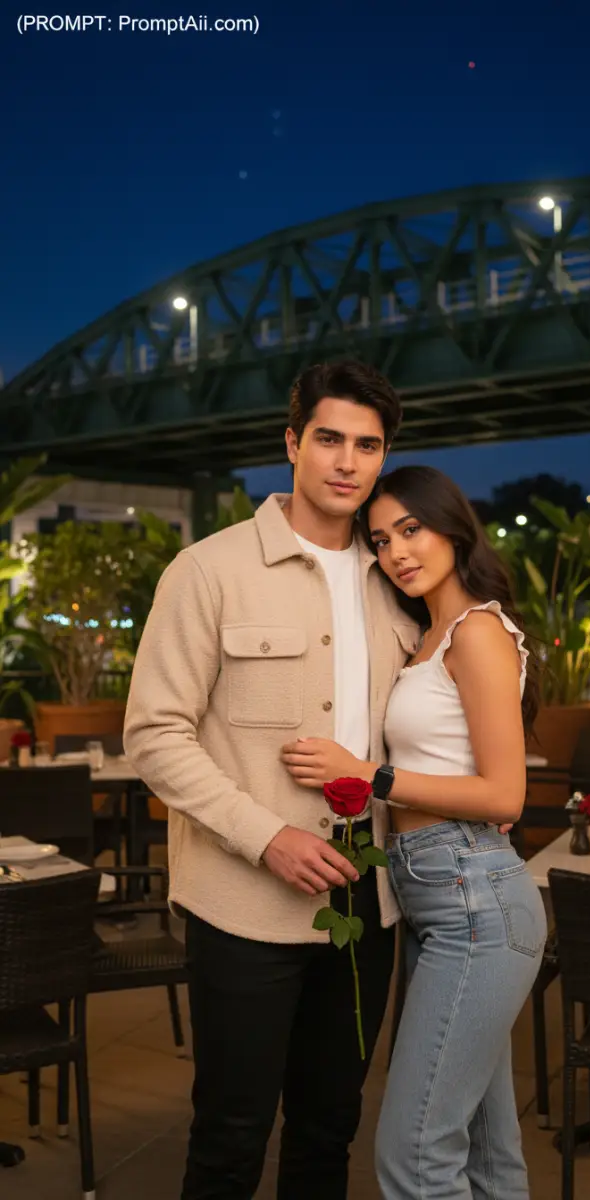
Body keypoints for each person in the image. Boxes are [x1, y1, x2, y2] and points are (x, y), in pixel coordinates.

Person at [122, 360, 422, 1200]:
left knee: (329, 1131)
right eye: (329, 438)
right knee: (231, 1136)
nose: (347, 462)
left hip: (366, 902)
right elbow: (153, 734)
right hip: (243, 903)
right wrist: (267, 837)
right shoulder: (208, 571)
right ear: (292, 443)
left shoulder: (398, 584)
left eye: (368, 445)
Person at [282, 464, 548, 1199]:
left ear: (453, 528)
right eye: (380, 540)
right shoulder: (426, 637)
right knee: (488, 1153)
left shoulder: (478, 631)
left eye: (412, 529)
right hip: (436, 895)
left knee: (415, 1154)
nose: (397, 551)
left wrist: (367, 775)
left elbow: (505, 793)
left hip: (474, 898)